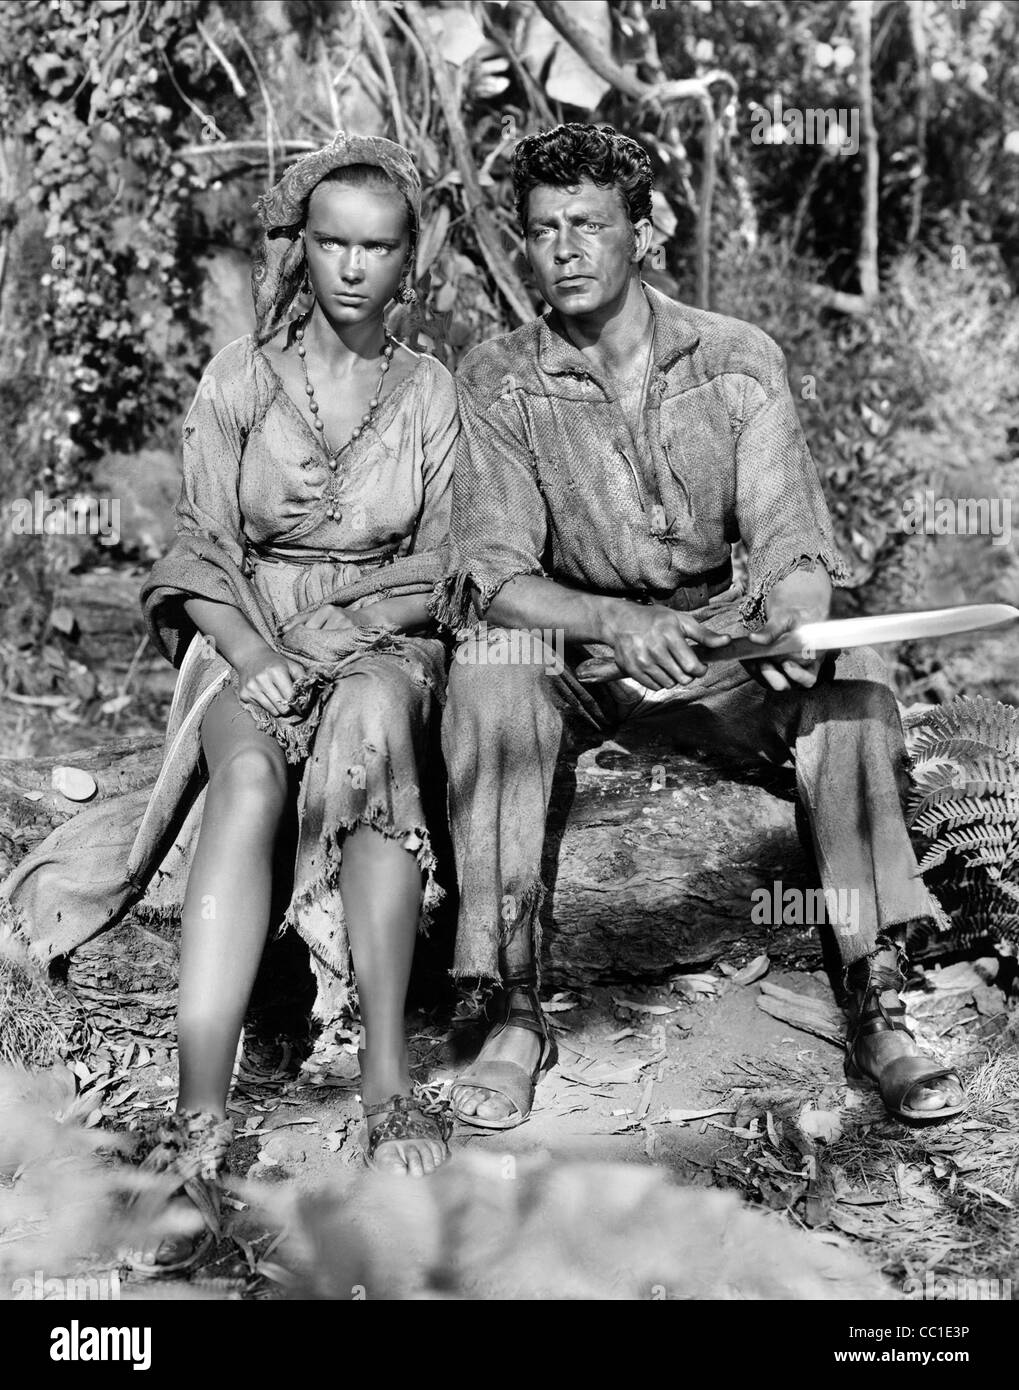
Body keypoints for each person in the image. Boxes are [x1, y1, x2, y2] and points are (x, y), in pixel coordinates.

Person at [434, 122, 964, 1131]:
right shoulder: (499, 377)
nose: (563, 250)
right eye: (541, 229)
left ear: (643, 230)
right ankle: (511, 1006)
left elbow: (792, 544)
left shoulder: (736, 359)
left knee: (852, 675)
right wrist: (609, 618)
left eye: (587, 224)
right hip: (582, 649)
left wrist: (792, 627)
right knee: (486, 667)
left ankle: (874, 993)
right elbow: (495, 573)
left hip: (724, 642)